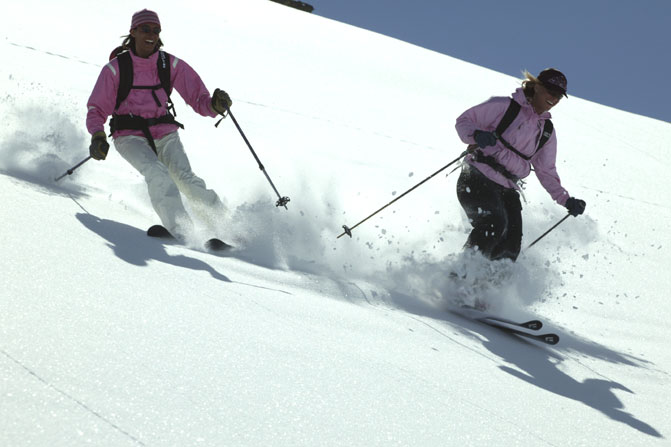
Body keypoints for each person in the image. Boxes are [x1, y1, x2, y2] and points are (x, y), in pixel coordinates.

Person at [86, 9, 233, 241]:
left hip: (164, 133)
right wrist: (98, 136)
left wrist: (214, 105)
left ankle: (229, 230)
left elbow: (199, 99)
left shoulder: (169, 64)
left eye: (156, 30)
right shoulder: (116, 68)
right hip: (129, 136)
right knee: (158, 173)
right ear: (133, 31)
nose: (151, 35)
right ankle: (182, 232)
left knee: (187, 180)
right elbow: (96, 109)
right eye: (145, 29)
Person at [454, 68, 586, 262]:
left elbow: (546, 170)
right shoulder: (504, 106)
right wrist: (476, 135)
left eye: (559, 95)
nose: (554, 98)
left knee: (511, 245)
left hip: (508, 188)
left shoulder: (546, 131)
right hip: (476, 175)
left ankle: (487, 288)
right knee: (493, 224)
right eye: (551, 91)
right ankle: (460, 277)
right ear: (538, 86)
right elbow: (464, 121)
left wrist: (565, 200)